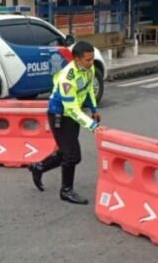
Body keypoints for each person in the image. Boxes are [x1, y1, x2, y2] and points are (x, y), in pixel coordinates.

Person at [28, 41, 106, 205]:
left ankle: (39, 167)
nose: (91, 63)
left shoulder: (89, 68)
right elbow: (71, 109)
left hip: (72, 114)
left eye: (92, 59)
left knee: (66, 151)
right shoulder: (67, 78)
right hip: (60, 115)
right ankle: (66, 190)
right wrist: (93, 126)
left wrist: (94, 109)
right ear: (76, 60)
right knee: (73, 156)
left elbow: (88, 89)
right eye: (87, 60)